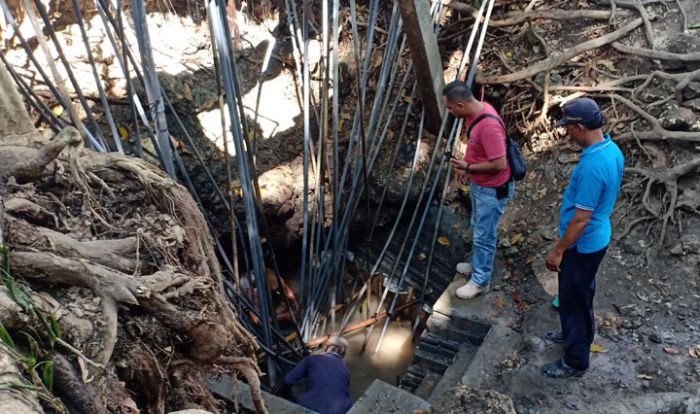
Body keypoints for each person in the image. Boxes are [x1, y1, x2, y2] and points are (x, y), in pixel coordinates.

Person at [541, 97, 624, 378]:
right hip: (596, 239)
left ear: (580, 126)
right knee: (577, 293)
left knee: (575, 300)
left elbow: (581, 218)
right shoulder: (611, 150)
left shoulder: (593, 166)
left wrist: (559, 250)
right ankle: (572, 333)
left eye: (568, 128)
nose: (566, 133)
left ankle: (575, 362)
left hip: (582, 244)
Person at [443, 80, 515, 299]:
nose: (449, 111)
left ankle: (480, 280)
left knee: (484, 235)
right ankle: (476, 264)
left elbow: (500, 163)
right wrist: (467, 166)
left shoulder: (488, 126)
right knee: (477, 225)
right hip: (480, 183)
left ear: (461, 105)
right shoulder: (475, 114)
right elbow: (478, 149)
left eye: (449, 107)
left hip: (492, 189)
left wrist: (469, 166)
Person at [281, 335, 353, 414]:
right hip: (338, 410)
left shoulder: (312, 359)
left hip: (310, 406)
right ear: (343, 353)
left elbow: (287, 381)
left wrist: (286, 396)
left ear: (325, 348)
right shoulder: (346, 372)